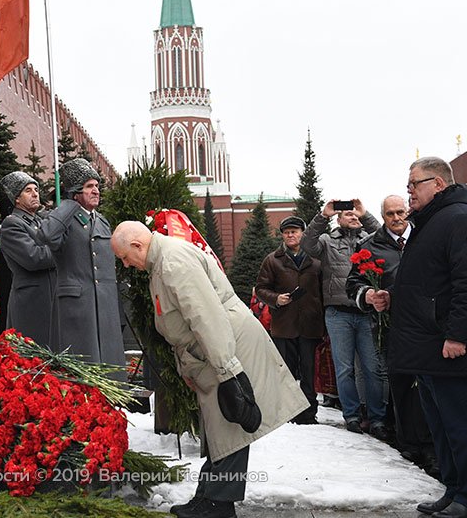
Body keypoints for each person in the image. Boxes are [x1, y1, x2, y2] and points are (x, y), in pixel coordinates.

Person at [111, 221, 307, 518]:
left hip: (225, 347)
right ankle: (209, 496)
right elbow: (182, 324)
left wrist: (229, 371)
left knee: (231, 426)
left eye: (125, 257)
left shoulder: (173, 261)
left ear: (138, 246)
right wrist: (187, 368)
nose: (126, 264)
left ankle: (218, 504)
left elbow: (206, 318)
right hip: (215, 350)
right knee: (221, 428)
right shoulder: (161, 261)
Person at [368, 156, 467, 518]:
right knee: (439, 427)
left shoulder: (459, 219)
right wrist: (394, 298)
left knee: (459, 425)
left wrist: (457, 334)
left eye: (414, 184)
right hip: (427, 346)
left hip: (448, 347)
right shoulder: (432, 222)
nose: (409, 192)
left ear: (438, 184)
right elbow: (431, 282)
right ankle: (453, 489)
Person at [346, 197, 434, 460]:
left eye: (400, 212)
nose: (396, 218)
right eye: (389, 214)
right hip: (392, 327)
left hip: (428, 325)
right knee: (400, 384)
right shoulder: (370, 245)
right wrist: (369, 294)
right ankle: (407, 444)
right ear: (382, 216)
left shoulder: (426, 235)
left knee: (428, 387)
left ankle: (431, 446)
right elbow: (352, 284)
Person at [303, 199, 384, 436]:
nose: (353, 216)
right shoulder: (327, 241)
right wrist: (323, 215)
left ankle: (377, 417)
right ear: (338, 219)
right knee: (344, 368)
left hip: (366, 311)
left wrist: (365, 214)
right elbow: (307, 244)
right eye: (347, 213)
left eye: (355, 214)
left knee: (372, 367)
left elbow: (385, 236)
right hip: (338, 313)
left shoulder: (369, 240)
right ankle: (352, 416)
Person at [40, 158, 124, 367]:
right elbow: (47, 236)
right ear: (75, 193)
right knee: (82, 369)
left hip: (105, 308)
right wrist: (68, 204)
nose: (96, 190)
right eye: (89, 187)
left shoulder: (102, 221)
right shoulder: (63, 218)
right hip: (77, 309)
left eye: (96, 186)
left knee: (109, 368)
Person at [255, 216, 324, 424]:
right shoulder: (272, 259)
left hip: (311, 323)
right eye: (286, 232)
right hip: (284, 324)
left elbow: (323, 291)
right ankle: (288, 412)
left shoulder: (315, 260)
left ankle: (309, 413)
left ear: (302, 233)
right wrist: (276, 298)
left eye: (295, 231)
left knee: (309, 371)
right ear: (282, 235)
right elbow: (260, 289)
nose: (291, 235)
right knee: (286, 371)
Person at [0, 171, 58, 350]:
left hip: (50, 301)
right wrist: (63, 252)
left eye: (36, 189)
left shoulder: (39, 222)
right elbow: (34, 258)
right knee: (33, 361)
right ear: (17, 198)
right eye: (28, 190)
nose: (35, 194)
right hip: (31, 305)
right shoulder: (12, 224)